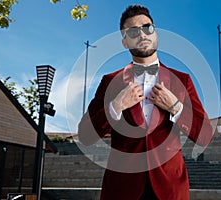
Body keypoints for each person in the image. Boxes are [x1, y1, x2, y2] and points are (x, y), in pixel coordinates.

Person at [78, 4, 213, 200]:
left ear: (155, 33)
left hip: (170, 189)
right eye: (133, 31)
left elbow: (204, 136)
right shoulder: (110, 82)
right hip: (122, 189)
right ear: (125, 42)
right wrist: (115, 106)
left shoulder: (182, 80)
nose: (142, 35)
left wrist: (176, 107)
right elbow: (85, 135)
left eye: (147, 27)